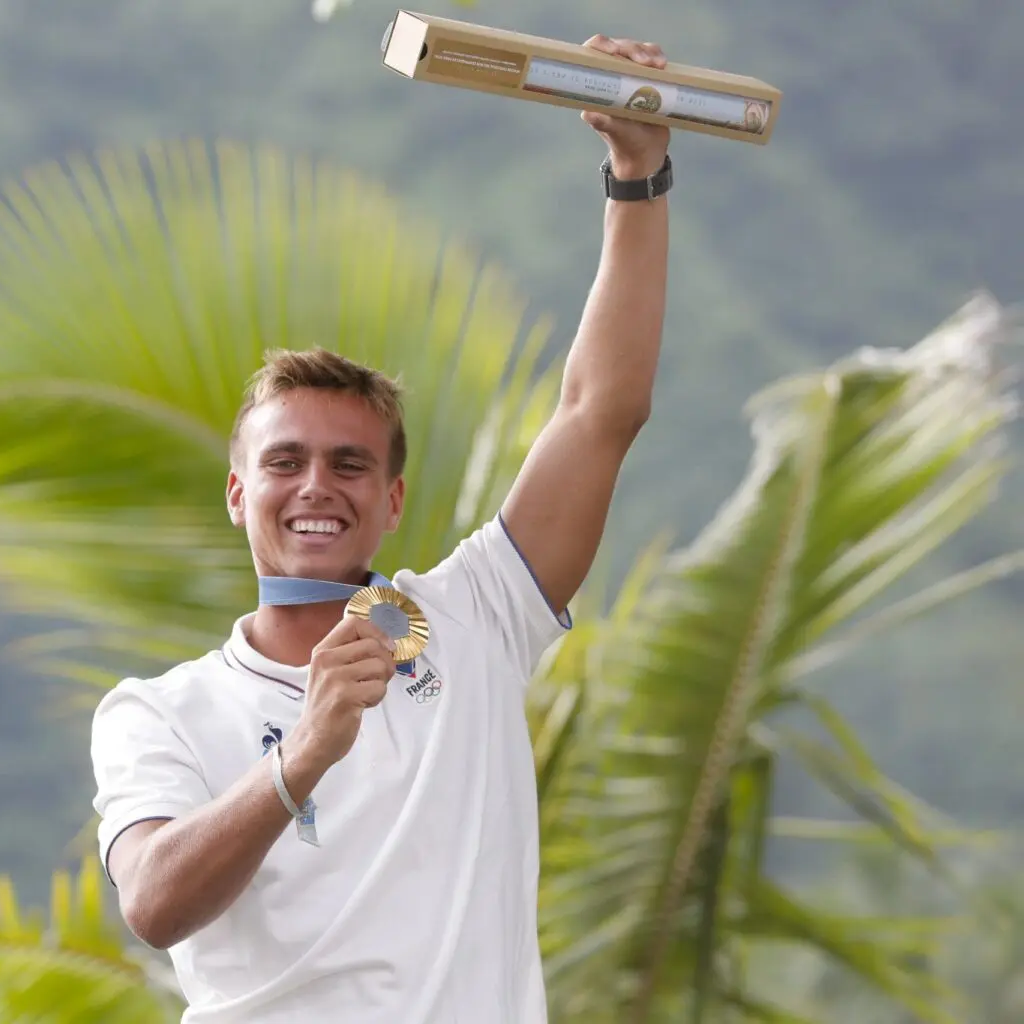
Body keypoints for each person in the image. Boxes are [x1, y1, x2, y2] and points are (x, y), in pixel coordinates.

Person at [90, 34, 673, 1024]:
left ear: (393, 501)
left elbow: (600, 411)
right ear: (237, 493)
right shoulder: (160, 711)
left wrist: (638, 172)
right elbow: (152, 902)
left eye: (351, 464)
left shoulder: (473, 614)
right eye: (285, 462)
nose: (317, 486)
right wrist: (305, 751)